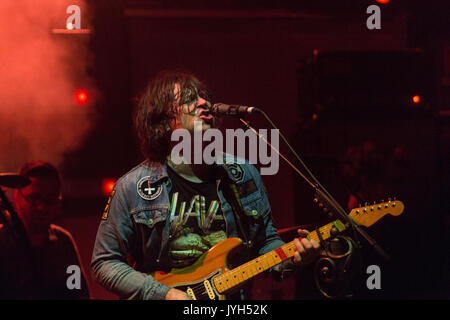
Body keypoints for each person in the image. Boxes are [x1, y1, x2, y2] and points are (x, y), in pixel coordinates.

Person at [91, 70, 321, 300]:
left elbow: (266, 242)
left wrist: (294, 259)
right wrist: (164, 294)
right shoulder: (132, 187)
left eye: (203, 97)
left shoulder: (242, 175)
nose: (204, 103)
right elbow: (104, 262)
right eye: (189, 99)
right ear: (164, 119)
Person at [0, 161, 90, 299]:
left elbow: (77, 291)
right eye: (35, 198)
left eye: (50, 199)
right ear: (17, 197)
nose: (42, 207)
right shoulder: (3, 241)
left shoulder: (63, 242)